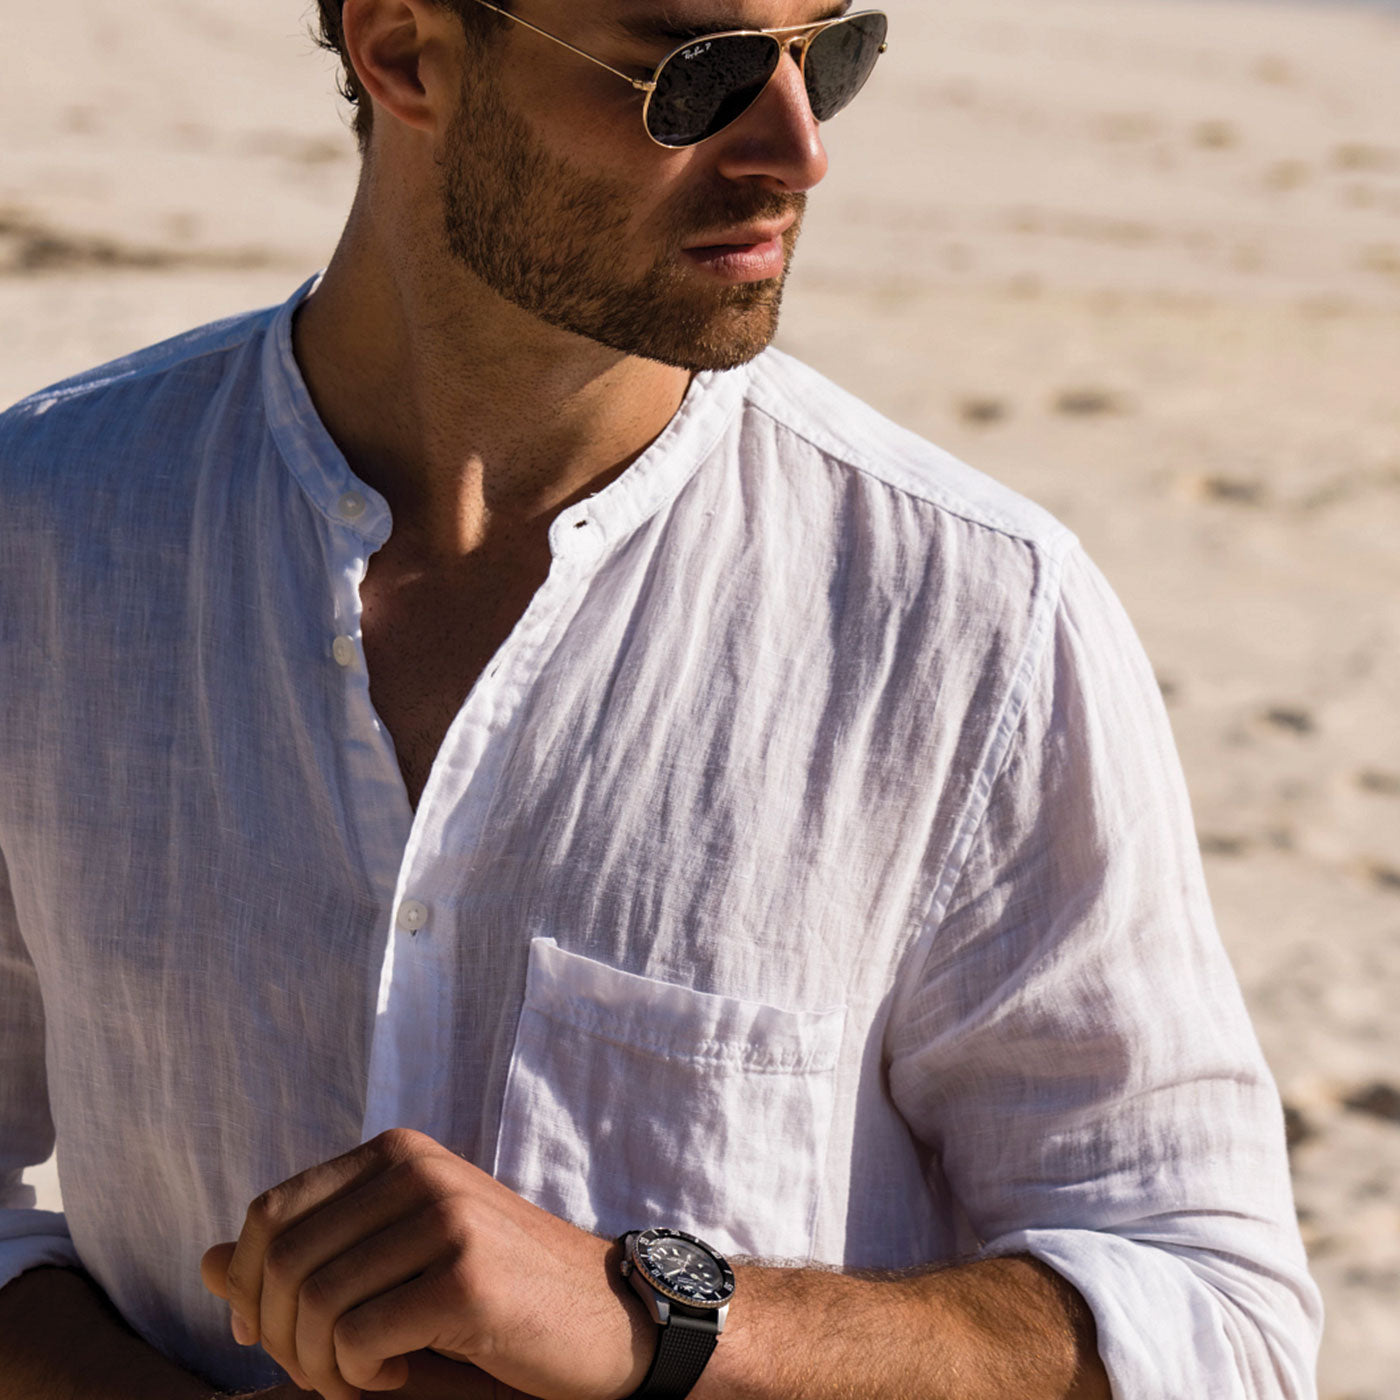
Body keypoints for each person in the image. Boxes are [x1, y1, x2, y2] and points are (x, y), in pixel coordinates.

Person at [0, 1, 1321, 1397]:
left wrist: (657, 1318)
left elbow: (1212, 1320)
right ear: (406, 54)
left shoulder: (970, 611)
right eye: (700, 72)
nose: (798, 151)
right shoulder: (47, 532)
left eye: (828, 55)